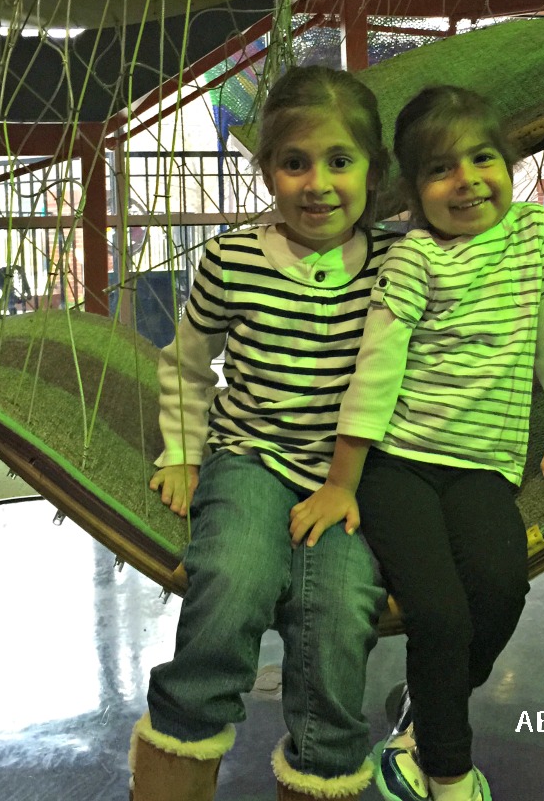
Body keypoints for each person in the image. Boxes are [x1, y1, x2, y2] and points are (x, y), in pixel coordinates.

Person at [289, 85, 544, 801]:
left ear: (509, 164)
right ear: (413, 192)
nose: (467, 182)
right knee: (438, 611)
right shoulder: (414, 260)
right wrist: (342, 479)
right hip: (396, 466)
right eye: (440, 170)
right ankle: (447, 769)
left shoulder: (530, 235)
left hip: (483, 465)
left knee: (500, 587)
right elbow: (376, 372)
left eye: (483, 158)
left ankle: (422, 714)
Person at [129, 65, 399, 801]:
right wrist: (184, 453)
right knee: (232, 579)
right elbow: (186, 364)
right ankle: (177, 754)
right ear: (268, 173)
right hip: (251, 459)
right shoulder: (233, 259)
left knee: (341, 615)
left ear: (374, 174)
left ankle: (324, 771)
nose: (318, 183)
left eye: (341, 161)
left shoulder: (398, 265)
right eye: (295, 162)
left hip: (348, 479)